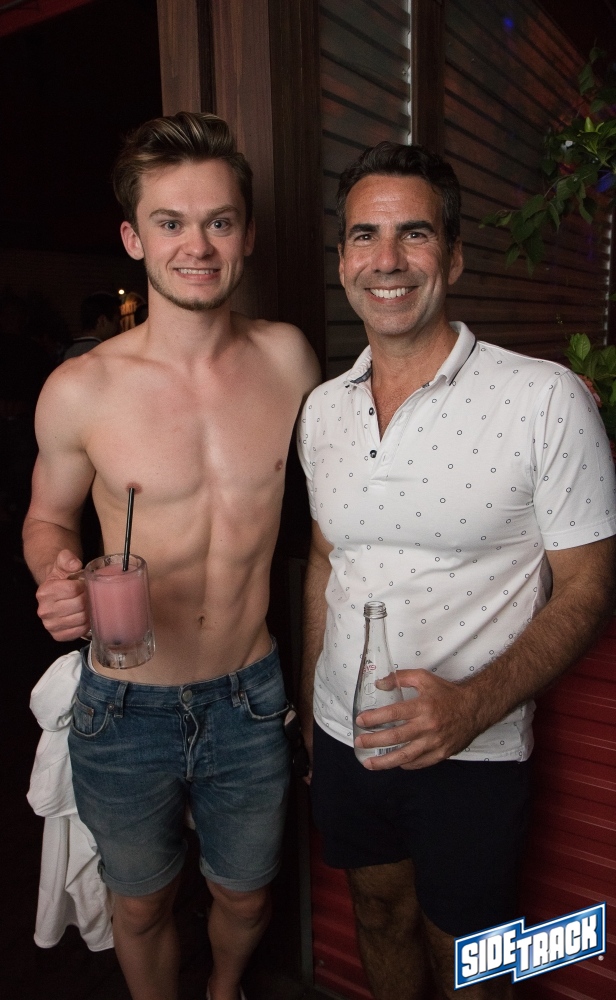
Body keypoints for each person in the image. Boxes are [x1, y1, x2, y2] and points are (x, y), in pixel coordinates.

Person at [297, 142, 616, 1000]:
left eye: (414, 233)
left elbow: (590, 586)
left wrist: (472, 706)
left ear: (455, 255)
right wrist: (314, 708)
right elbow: (328, 558)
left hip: (476, 748)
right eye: (364, 236)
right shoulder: (322, 411)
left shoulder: (543, 399)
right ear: (342, 260)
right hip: (346, 734)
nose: (388, 260)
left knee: (473, 954)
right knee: (377, 912)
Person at [23, 111, 320, 1000]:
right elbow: (47, 519)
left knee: (246, 893)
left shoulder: (289, 359)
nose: (198, 245)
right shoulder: (81, 389)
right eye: (171, 222)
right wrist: (55, 575)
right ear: (133, 239)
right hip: (125, 706)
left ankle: (224, 992)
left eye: (219, 221)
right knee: (142, 903)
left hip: (250, 694)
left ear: (247, 234)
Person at [63, 291, 122, 360]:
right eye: (116, 323)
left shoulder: (67, 351)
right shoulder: (102, 352)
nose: (119, 328)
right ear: (102, 321)